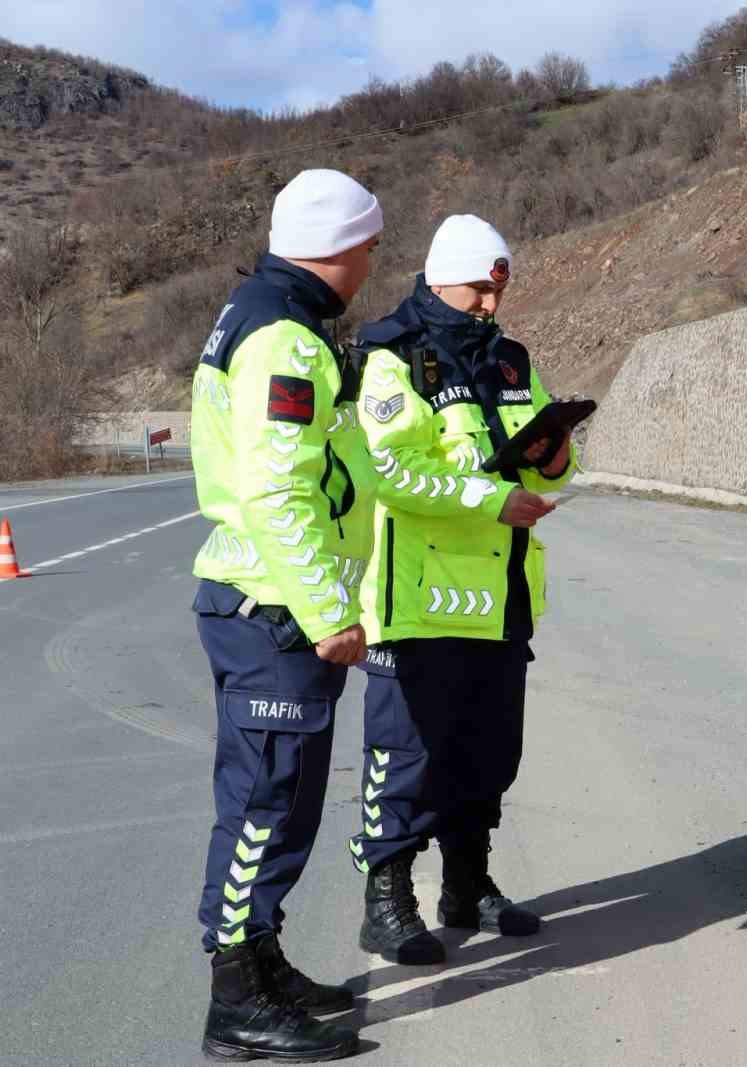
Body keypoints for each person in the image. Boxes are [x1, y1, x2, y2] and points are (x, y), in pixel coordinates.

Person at [189, 168, 382, 1061]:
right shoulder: (285, 337)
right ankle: (236, 998)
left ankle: (260, 961)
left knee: (282, 803)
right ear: (340, 247)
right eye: (369, 247)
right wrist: (326, 610)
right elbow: (277, 492)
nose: (372, 264)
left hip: (267, 604)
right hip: (273, 606)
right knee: (266, 803)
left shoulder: (267, 316)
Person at [348, 214, 575, 964]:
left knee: (486, 755)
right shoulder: (393, 356)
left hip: (499, 599)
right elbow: (392, 471)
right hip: (420, 603)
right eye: (479, 286)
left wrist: (553, 453)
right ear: (442, 274)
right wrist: (488, 500)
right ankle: (387, 902)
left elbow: (551, 466)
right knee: (409, 757)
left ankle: (466, 886)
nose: (490, 303)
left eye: (498, 288)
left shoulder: (512, 360)